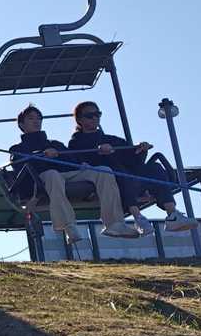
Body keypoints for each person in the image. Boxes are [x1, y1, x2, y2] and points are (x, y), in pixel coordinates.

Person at [9, 104, 137, 247]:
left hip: (65, 175)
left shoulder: (55, 144)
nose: (36, 121)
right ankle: (68, 226)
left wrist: (60, 157)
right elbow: (20, 166)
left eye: (39, 118)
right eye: (31, 118)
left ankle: (114, 223)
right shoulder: (18, 148)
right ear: (22, 124)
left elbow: (72, 162)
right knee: (52, 175)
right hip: (38, 180)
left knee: (103, 171)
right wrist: (41, 156)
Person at [67, 102, 197, 234]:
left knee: (155, 168)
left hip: (129, 175)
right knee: (117, 172)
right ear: (80, 120)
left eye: (97, 114)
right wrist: (98, 153)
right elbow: (79, 163)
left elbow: (133, 161)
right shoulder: (76, 143)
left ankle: (172, 214)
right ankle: (138, 217)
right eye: (90, 115)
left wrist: (140, 150)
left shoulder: (113, 139)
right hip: (110, 179)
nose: (95, 118)